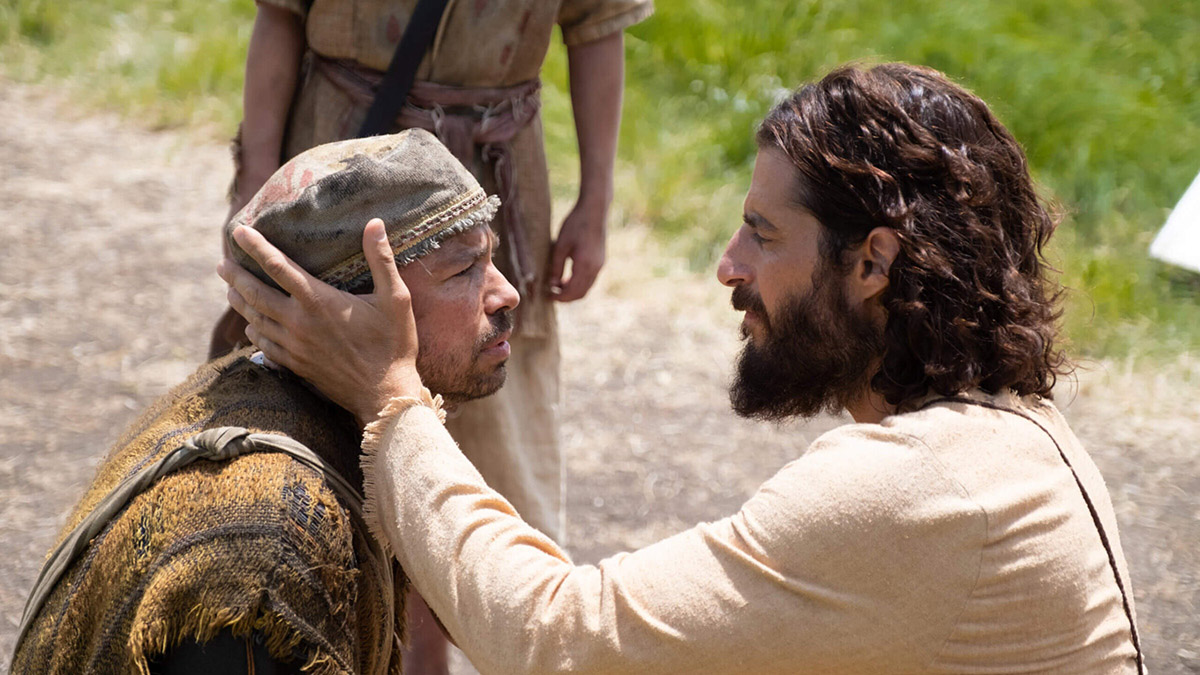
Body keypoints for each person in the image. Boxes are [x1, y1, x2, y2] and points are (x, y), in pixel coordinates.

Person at [221, 63, 1145, 673]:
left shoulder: (919, 488)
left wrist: (391, 400)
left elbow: (555, 637)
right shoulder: (1010, 437)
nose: (729, 265)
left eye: (764, 232)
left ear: (873, 263)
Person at [212, 4, 652, 667]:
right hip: (339, 180)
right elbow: (280, 17)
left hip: (491, 175)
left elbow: (597, 26)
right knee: (314, 433)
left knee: (496, 438)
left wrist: (595, 200)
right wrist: (256, 177)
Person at [11, 129, 518, 674]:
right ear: (343, 308)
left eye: (489, 260)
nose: (506, 293)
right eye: (464, 270)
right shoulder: (271, 545)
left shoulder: (277, 407)